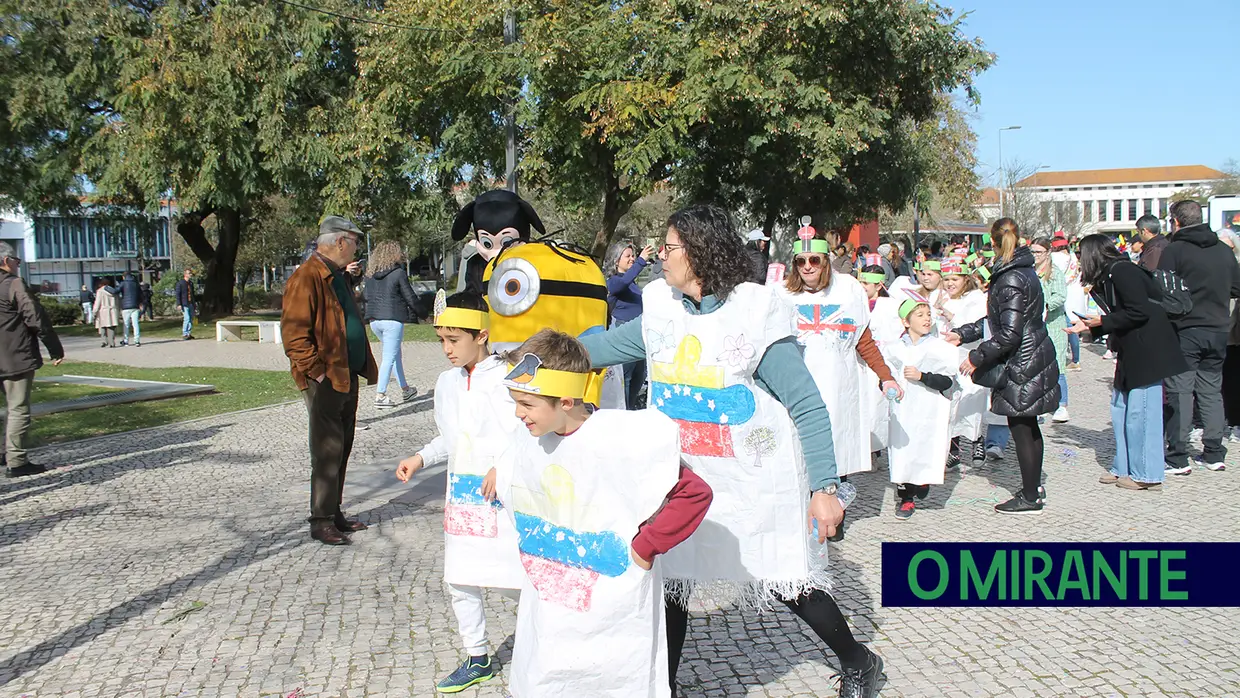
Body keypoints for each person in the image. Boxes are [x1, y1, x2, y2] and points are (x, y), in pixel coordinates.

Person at [581, 205, 884, 698]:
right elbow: (606, 348)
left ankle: (859, 660)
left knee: (786, 577)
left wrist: (824, 488)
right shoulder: (662, 308)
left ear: (699, 253)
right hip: (683, 479)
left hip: (753, 478)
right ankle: (666, 685)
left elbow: (806, 404)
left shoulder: (756, 313)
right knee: (674, 576)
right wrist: (546, 348)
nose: (661, 255)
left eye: (671, 246)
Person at [493, 328, 712, 698]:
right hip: (549, 606)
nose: (518, 414)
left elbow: (694, 493)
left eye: (527, 404)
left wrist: (646, 546)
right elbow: (519, 464)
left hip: (611, 611)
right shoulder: (532, 436)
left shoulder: (621, 442)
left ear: (565, 400)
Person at [395, 293, 524, 693]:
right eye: (440, 340)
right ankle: (478, 655)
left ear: (481, 335)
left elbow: (527, 432)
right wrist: (421, 457)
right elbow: (453, 438)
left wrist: (502, 466)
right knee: (460, 579)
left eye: (454, 339)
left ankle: (548, 638)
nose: (447, 349)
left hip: (504, 499)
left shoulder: (510, 377)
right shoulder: (446, 383)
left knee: (514, 579)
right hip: (462, 498)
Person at [948, 218, 1060, 514]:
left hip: (1022, 361)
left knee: (1022, 425)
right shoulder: (1022, 271)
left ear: (993, 244)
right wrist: (964, 333)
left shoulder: (1010, 277)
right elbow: (1000, 320)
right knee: (1028, 425)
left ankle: (1029, 495)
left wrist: (976, 357)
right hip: (1030, 353)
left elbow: (1009, 332)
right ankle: (1033, 487)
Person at [281, 216, 379, 545]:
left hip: (345, 373)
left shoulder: (334, 276)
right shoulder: (306, 278)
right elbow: (294, 337)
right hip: (325, 377)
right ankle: (320, 520)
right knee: (327, 449)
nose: (356, 249)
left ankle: (333, 511)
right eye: (354, 242)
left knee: (343, 446)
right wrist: (318, 372)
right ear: (340, 242)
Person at [1068, 235, 1186, 490]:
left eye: (1081, 254)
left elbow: (1139, 311)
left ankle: (1146, 474)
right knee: (1121, 409)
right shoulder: (1112, 273)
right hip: (1131, 347)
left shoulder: (1123, 271)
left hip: (1148, 350)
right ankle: (1124, 466)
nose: (1078, 260)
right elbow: (1123, 313)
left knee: (1141, 414)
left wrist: (1101, 323)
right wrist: (1093, 328)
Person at [779, 235, 901, 480]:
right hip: (797, 387)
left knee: (835, 449)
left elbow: (863, 340)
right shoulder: (781, 294)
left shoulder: (848, 290)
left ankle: (835, 510)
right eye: (800, 262)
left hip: (837, 386)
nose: (807, 267)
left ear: (825, 262)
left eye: (814, 260)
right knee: (798, 453)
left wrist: (886, 376)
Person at [1159, 200, 1240, 475]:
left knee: (1180, 391)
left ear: (1176, 222)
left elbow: (1163, 290)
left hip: (1185, 328)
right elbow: (1236, 287)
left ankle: (1178, 456)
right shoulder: (1222, 250)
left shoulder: (1175, 250)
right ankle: (1214, 452)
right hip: (1217, 328)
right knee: (1211, 390)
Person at [883, 297, 957, 519]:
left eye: (928, 315)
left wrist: (923, 376)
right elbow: (884, 374)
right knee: (901, 451)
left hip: (928, 409)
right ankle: (905, 498)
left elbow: (947, 382)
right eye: (920, 315)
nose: (926, 320)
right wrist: (887, 386)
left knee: (925, 446)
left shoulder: (939, 348)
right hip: (902, 409)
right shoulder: (894, 348)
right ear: (906, 322)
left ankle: (923, 479)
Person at [0, 242, 64, 477]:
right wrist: (54, 348)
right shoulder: (13, 283)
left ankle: (5, 452)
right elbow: (35, 316)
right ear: (6, 261)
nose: (18, 264)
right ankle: (16, 460)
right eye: (17, 260)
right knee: (17, 408)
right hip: (13, 355)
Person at [934, 257, 989, 464]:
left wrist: (948, 314)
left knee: (972, 401)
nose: (950, 284)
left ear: (965, 279)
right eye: (946, 279)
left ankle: (977, 441)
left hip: (969, 356)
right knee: (951, 405)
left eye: (955, 279)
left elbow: (975, 327)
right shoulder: (942, 297)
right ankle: (953, 450)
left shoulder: (976, 299)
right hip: (948, 359)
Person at [362, 240, 420, 409]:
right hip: (392, 320)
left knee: (394, 355)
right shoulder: (398, 273)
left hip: (374, 320)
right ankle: (380, 395)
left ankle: (405, 389)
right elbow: (410, 297)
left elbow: (366, 296)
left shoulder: (370, 275)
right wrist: (423, 313)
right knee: (389, 357)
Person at [603, 241, 656, 409]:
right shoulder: (613, 282)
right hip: (623, 332)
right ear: (616, 260)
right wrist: (641, 261)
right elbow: (622, 283)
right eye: (628, 256)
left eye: (634, 256)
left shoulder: (631, 283)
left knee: (639, 377)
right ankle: (623, 412)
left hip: (639, 333)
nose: (632, 259)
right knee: (625, 378)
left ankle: (631, 409)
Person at [1031, 238, 1070, 423]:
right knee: (1039, 365)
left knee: (1057, 365)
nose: (1035, 256)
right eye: (1033, 252)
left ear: (1047, 252)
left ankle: (1062, 404)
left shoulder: (1055, 273)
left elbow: (1061, 295)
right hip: (1036, 324)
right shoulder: (1031, 272)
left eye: (1038, 252)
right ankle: (1041, 403)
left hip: (1054, 324)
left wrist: (1047, 305)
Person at [114, 271, 142, 347]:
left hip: (126, 306)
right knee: (135, 324)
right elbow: (140, 294)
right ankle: (137, 340)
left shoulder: (123, 283)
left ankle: (126, 340)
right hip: (135, 306)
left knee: (126, 324)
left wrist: (106, 288)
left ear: (124, 277)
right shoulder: (136, 283)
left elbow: (116, 291)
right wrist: (140, 303)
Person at [93, 280, 120, 348]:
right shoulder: (113, 290)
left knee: (102, 326)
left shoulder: (100, 291)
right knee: (111, 327)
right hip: (113, 310)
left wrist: (94, 311)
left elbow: (97, 302)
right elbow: (118, 301)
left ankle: (104, 341)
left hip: (103, 310)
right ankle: (112, 342)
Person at [175, 269, 195, 340]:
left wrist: (194, 303)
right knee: (187, 318)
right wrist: (179, 304)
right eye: (189, 273)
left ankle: (188, 333)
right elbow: (177, 294)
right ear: (185, 274)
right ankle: (184, 333)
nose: (190, 275)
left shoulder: (191, 283)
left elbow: (192, 294)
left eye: (191, 273)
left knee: (191, 318)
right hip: (184, 303)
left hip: (190, 303)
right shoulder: (180, 283)